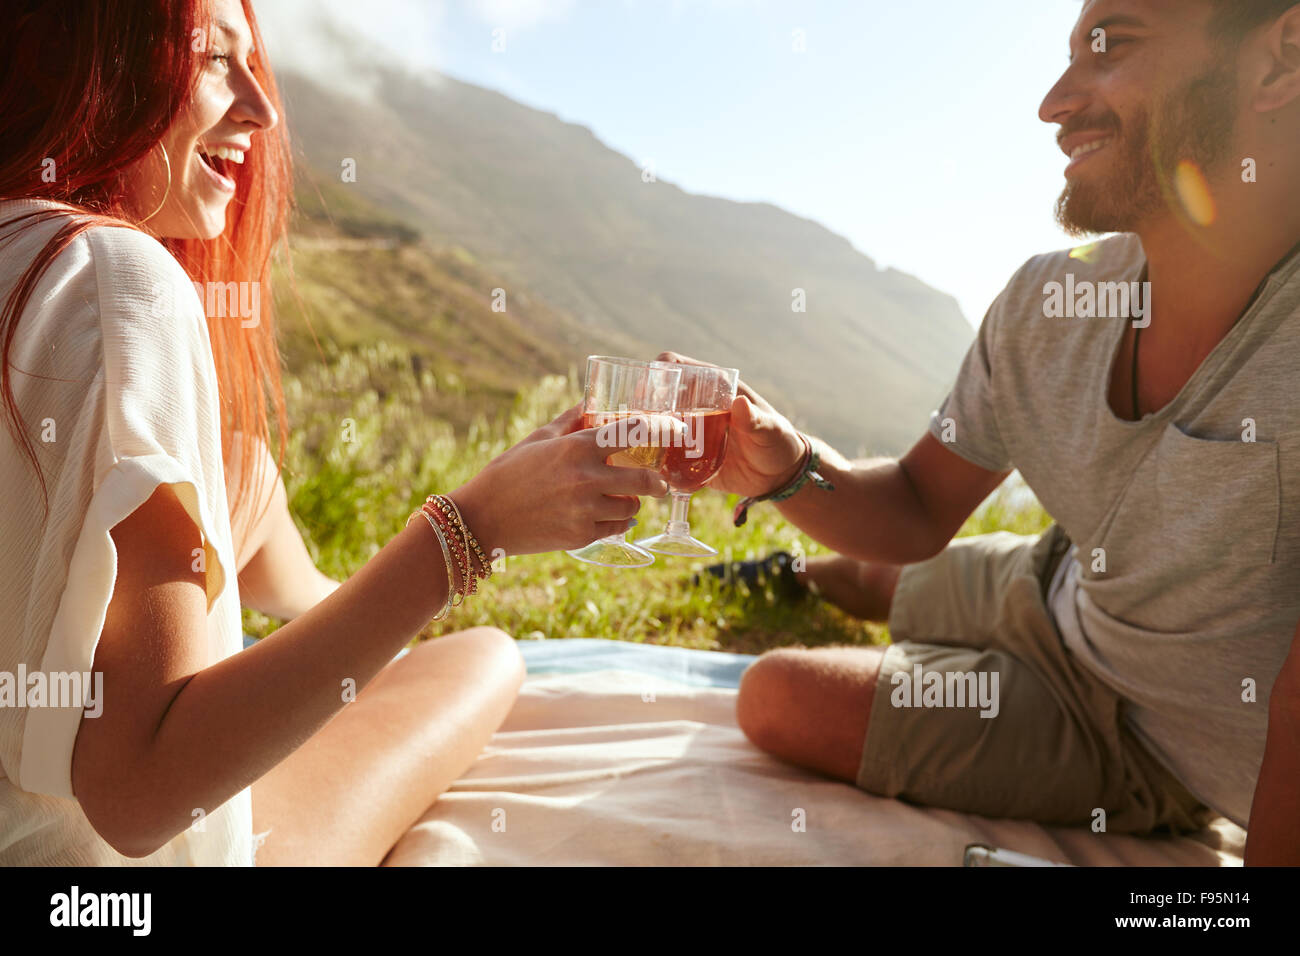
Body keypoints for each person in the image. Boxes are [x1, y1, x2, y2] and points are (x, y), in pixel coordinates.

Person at [0, 0, 668, 866]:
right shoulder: (107, 275)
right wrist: (472, 531)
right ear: (91, 64)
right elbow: (140, 793)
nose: (263, 107)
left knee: (250, 495)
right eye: (211, 58)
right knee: (484, 658)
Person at [674, 0, 1300, 865]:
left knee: (778, 697)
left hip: (1131, 740)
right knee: (876, 575)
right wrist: (788, 467)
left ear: (1282, 60)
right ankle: (802, 578)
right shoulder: (1050, 301)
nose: (1053, 101)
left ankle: (899, 611)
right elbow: (918, 504)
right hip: (1061, 582)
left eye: (1110, 46)